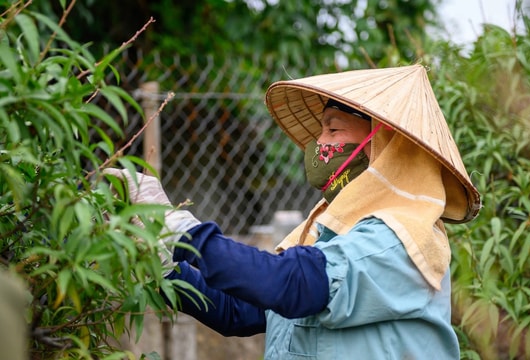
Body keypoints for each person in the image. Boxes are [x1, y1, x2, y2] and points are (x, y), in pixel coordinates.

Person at [105, 64, 481, 359]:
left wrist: (180, 229)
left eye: (333, 131)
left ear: (382, 149)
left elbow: (293, 284)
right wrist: (166, 263)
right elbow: (241, 311)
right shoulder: (329, 233)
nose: (319, 144)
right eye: (321, 131)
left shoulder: (402, 239)